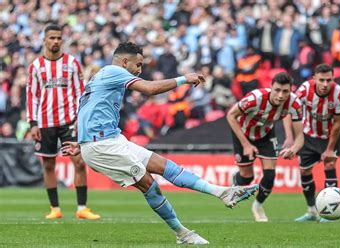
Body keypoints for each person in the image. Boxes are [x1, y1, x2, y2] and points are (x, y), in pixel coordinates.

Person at [61, 42, 258, 245]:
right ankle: (183, 233)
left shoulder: (103, 76)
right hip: (102, 145)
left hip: (107, 139)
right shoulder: (113, 71)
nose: (139, 70)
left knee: (164, 166)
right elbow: (149, 88)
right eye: (138, 64)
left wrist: (82, 142)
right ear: (125, 61)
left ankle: (222, 192)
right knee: (149, 184)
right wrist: (184, 79)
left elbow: (88, 108)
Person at [26, 24, 100, 220]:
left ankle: (82, 208)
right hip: (45, 122)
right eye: (52, 38)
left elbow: (80, 92)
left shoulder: (72, 63)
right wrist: (32, 123)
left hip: (70, 121)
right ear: (44, 40)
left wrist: (80, 119)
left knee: (79, 161)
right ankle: (55, 208)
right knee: (48, 165)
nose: (56, 41)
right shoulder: (35, 66)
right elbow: (32, 96)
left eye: (59, 38)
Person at [226, 72, 304, 222]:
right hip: (242, 133)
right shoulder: (255, 98)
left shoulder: (294, 104)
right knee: (247, 177)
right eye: (277, 90)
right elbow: (231, 115)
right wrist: (246, 144)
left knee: (270, 175)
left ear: (291, 90)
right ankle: (236, 179)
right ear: (271, 88)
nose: (281, 95)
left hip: (266, 134)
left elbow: (300, 137)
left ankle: (257, 206)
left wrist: (293, 149)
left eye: (285, 91)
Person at [292, 64, 340, 222]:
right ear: (314, 78)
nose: (325, 84)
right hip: (308, 135)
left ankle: (330, 213)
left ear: (333, 79)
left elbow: (337, 124)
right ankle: (311, 212)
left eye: (328, 80)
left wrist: (329, 149)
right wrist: (293, 138)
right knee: (304, 172)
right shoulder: (304, 90)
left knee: (330, 165)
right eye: (321, 80)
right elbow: (293, 112)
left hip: (331, 135)